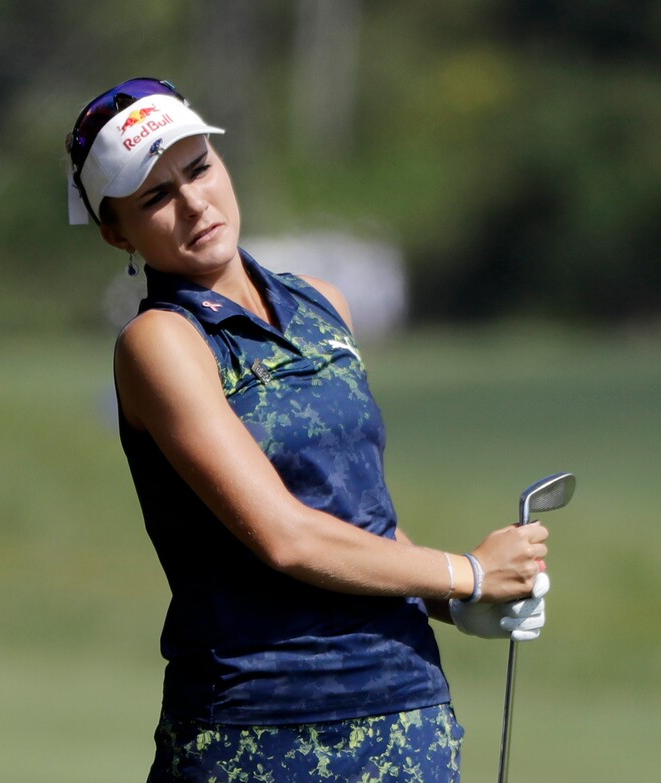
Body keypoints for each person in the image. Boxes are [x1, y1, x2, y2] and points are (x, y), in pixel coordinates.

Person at [66, 77, 551, 783]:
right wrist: (468, 571)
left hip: (407, 716)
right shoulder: (160, 343)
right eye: (155, 197)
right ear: (117, 232)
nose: (194, 204)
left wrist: (458, 602)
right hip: (260, 736)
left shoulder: (323, 305)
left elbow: (359, 520)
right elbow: (286, 537)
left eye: (199, 168)